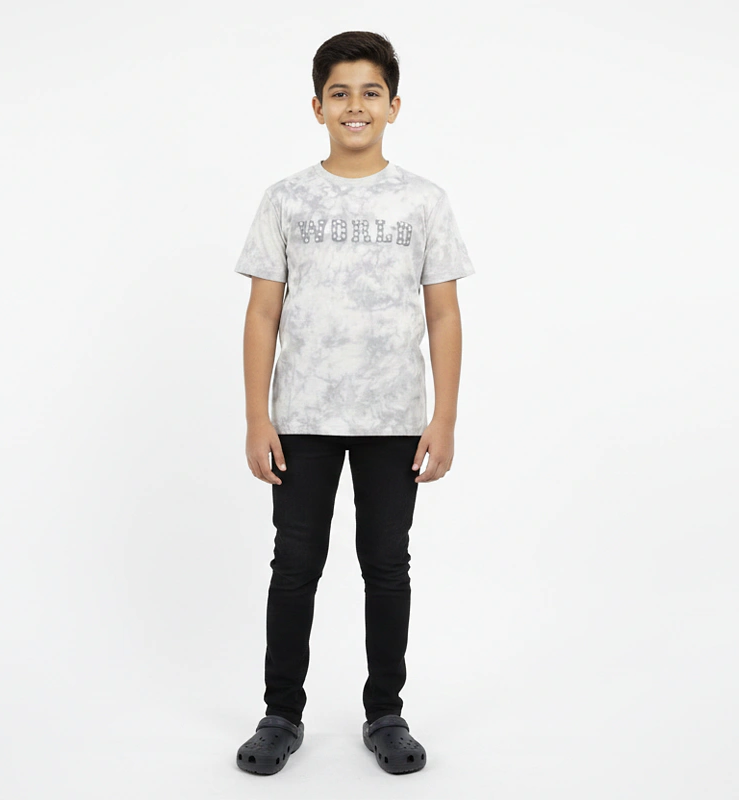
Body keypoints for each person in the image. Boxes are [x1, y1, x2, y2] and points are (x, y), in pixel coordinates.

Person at [232, 30, 475, 776]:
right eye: (339, 93)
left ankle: (385, 713)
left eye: (371, 92)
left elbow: (443, 314)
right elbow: (263, 312)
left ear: (394, 105)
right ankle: (281, 713)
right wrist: (257, 416)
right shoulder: (287, 200)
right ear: (317, 107)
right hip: (302, 417)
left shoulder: (423, 201)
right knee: (294, 564)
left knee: (387, 566)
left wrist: (443, 418)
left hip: (393, 418)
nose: (355, 105)